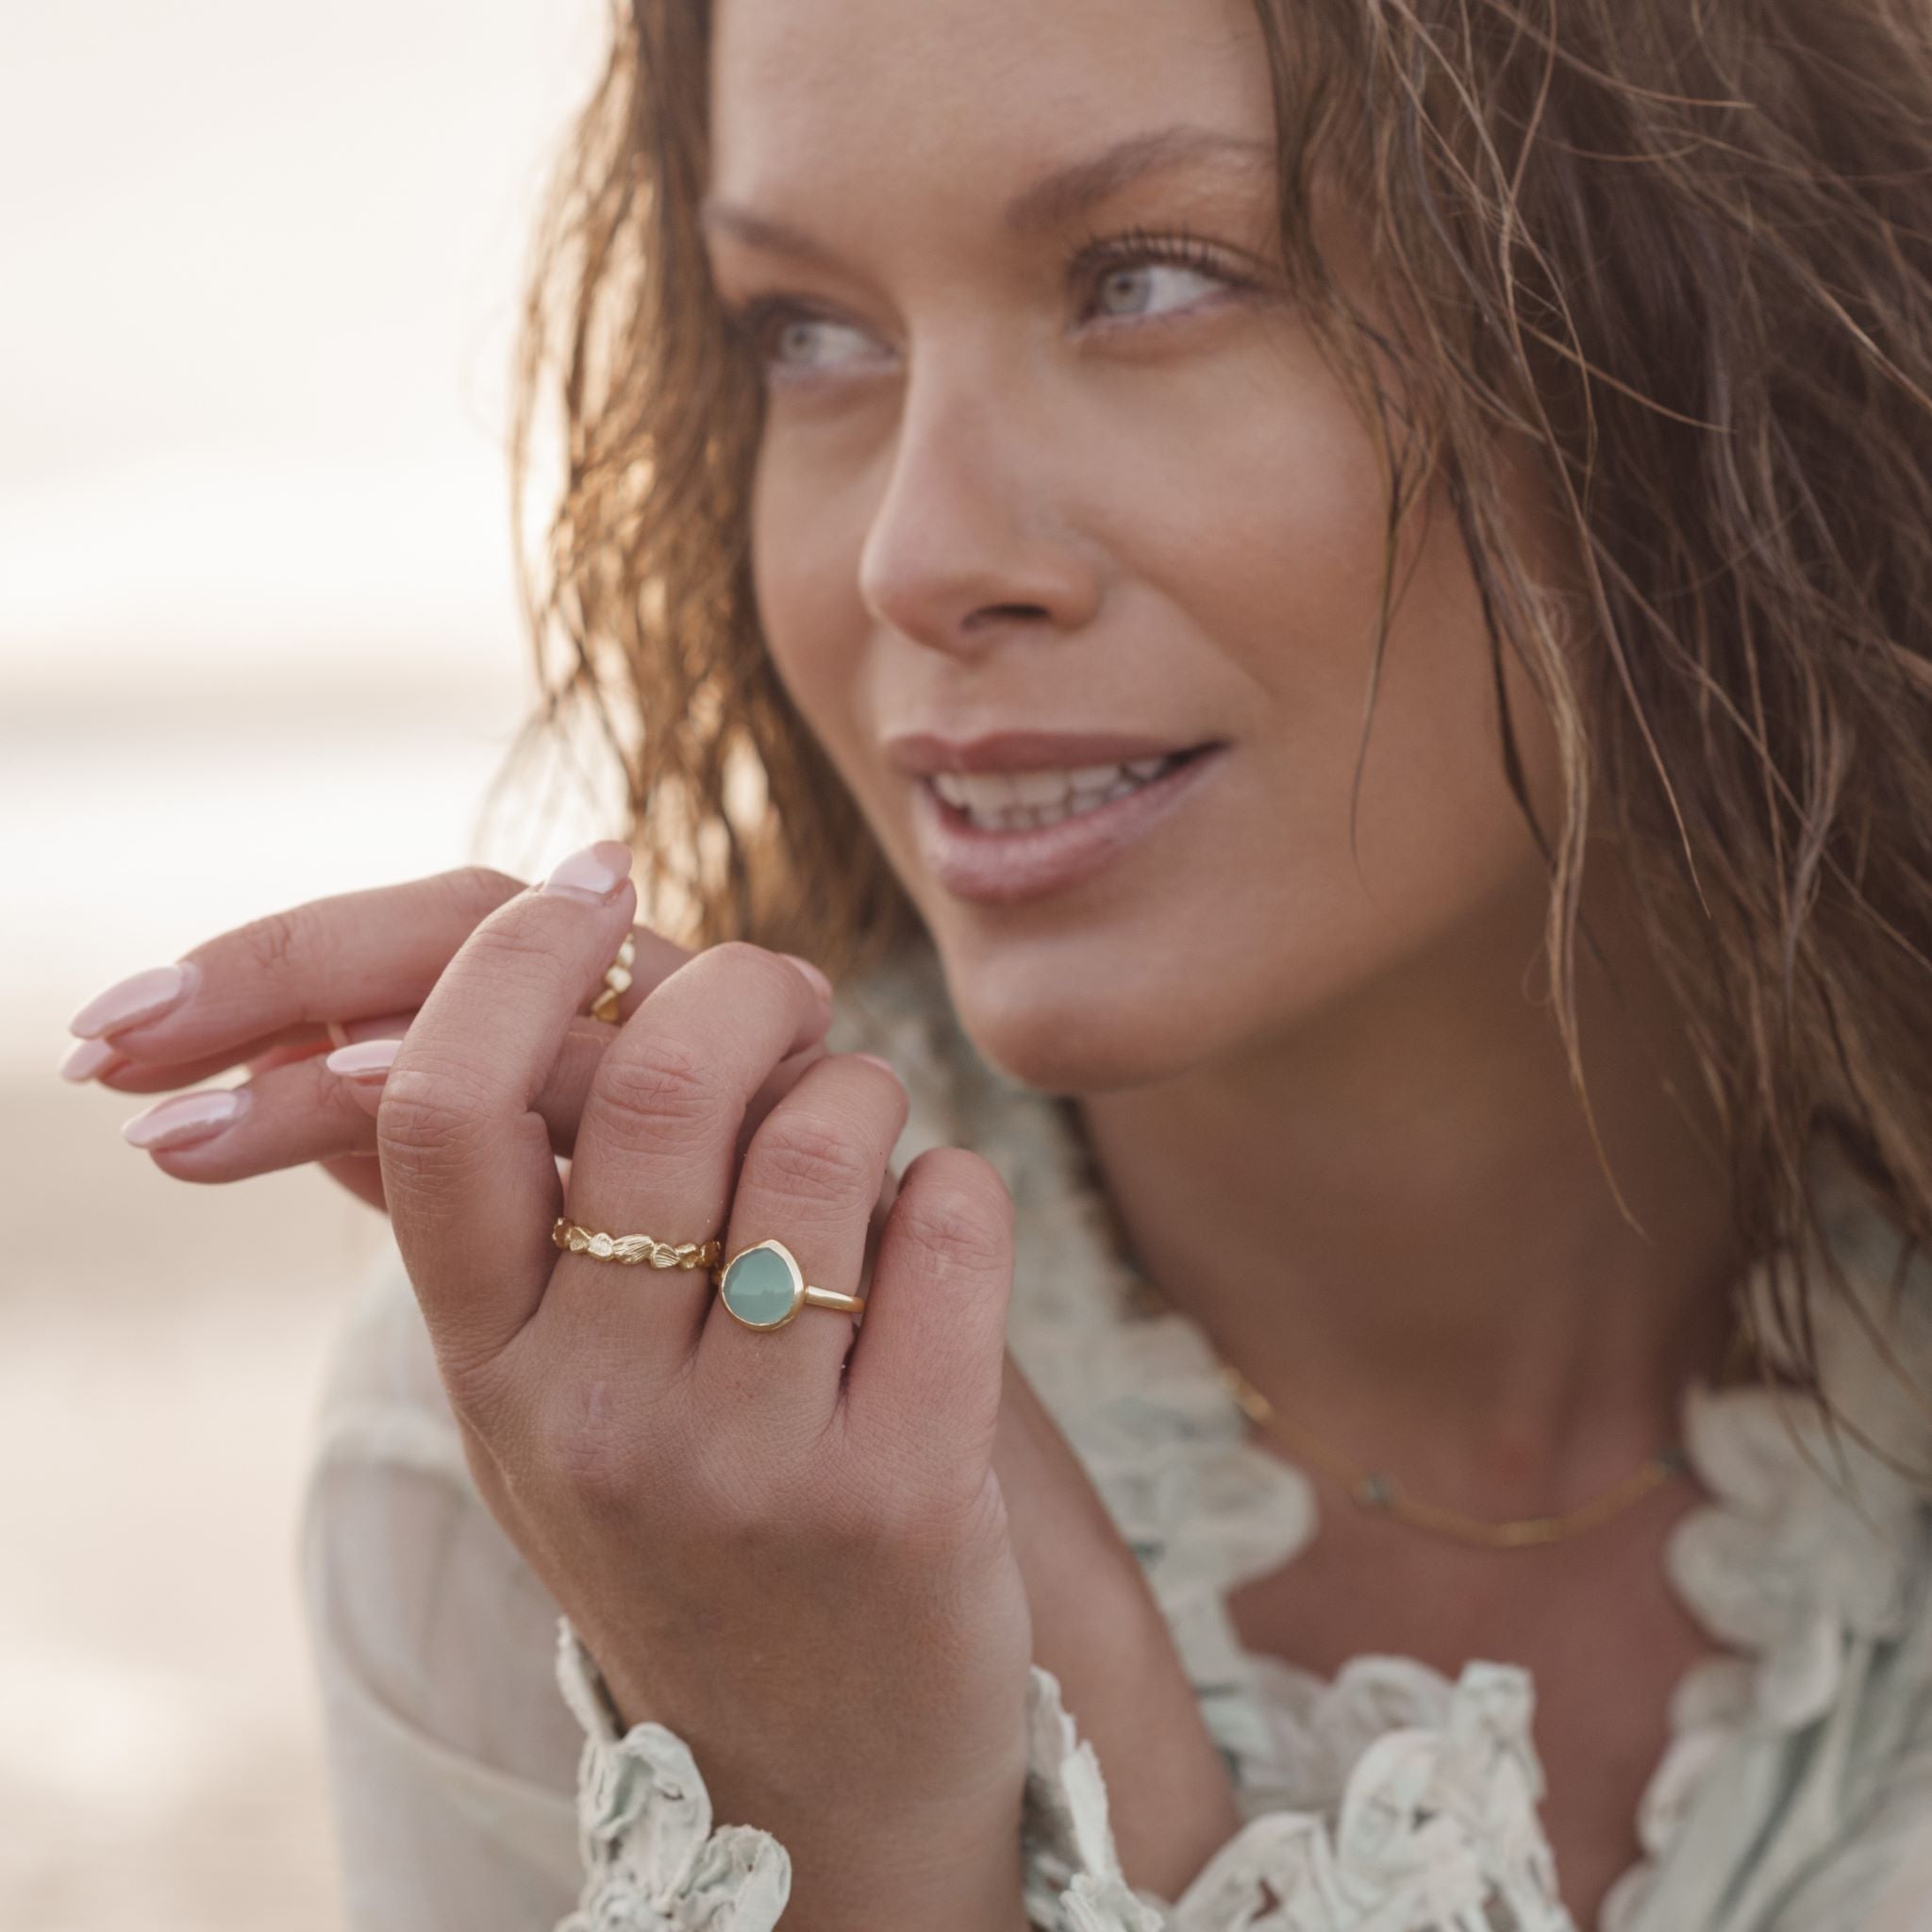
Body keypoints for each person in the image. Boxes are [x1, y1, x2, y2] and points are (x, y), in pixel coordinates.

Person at [57, 0, 1932, 1924]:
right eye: (807, 330)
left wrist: (1105, 1789)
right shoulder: (610, 1436)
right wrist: (852, 1824)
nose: (906, 552)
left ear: (1695, 312)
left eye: (1148, 277)